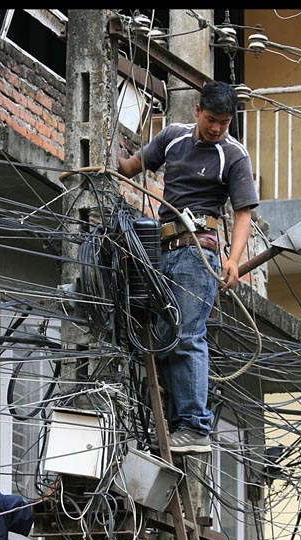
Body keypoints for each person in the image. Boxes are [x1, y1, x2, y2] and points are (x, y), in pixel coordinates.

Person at [117, 80, 258, 454]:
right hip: (161, 250)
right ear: (197, 110)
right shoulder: (173, 138)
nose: (216, 128)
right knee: (161, 336)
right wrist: (102, 157)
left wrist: (234, 260)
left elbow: (243, 212)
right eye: (212, 119)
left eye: (224, 123)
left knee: (186, 335)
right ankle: (166, 420)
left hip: (199, 252)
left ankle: (195, 427)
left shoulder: (234, 155)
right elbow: (130, 167)